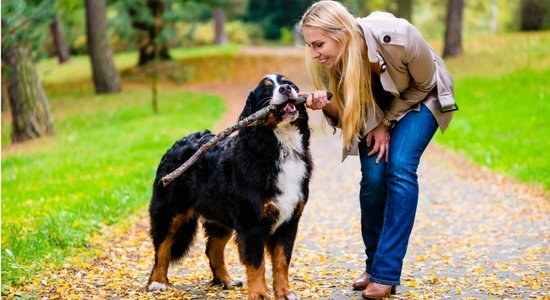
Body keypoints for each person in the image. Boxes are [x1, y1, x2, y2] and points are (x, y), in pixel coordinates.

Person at [299, 1, 457, 299]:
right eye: (310, 45)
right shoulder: (331, 62)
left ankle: (386, 273)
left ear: (342, 33)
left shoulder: (399, 35)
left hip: (424, 98)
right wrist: (326, 104)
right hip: (376, 112)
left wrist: (385, 121)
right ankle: (373, 265)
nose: (314, 53)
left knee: (399, 166)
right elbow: (347, 113)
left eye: (319, 44)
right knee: (373, 178)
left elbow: (423, 85)